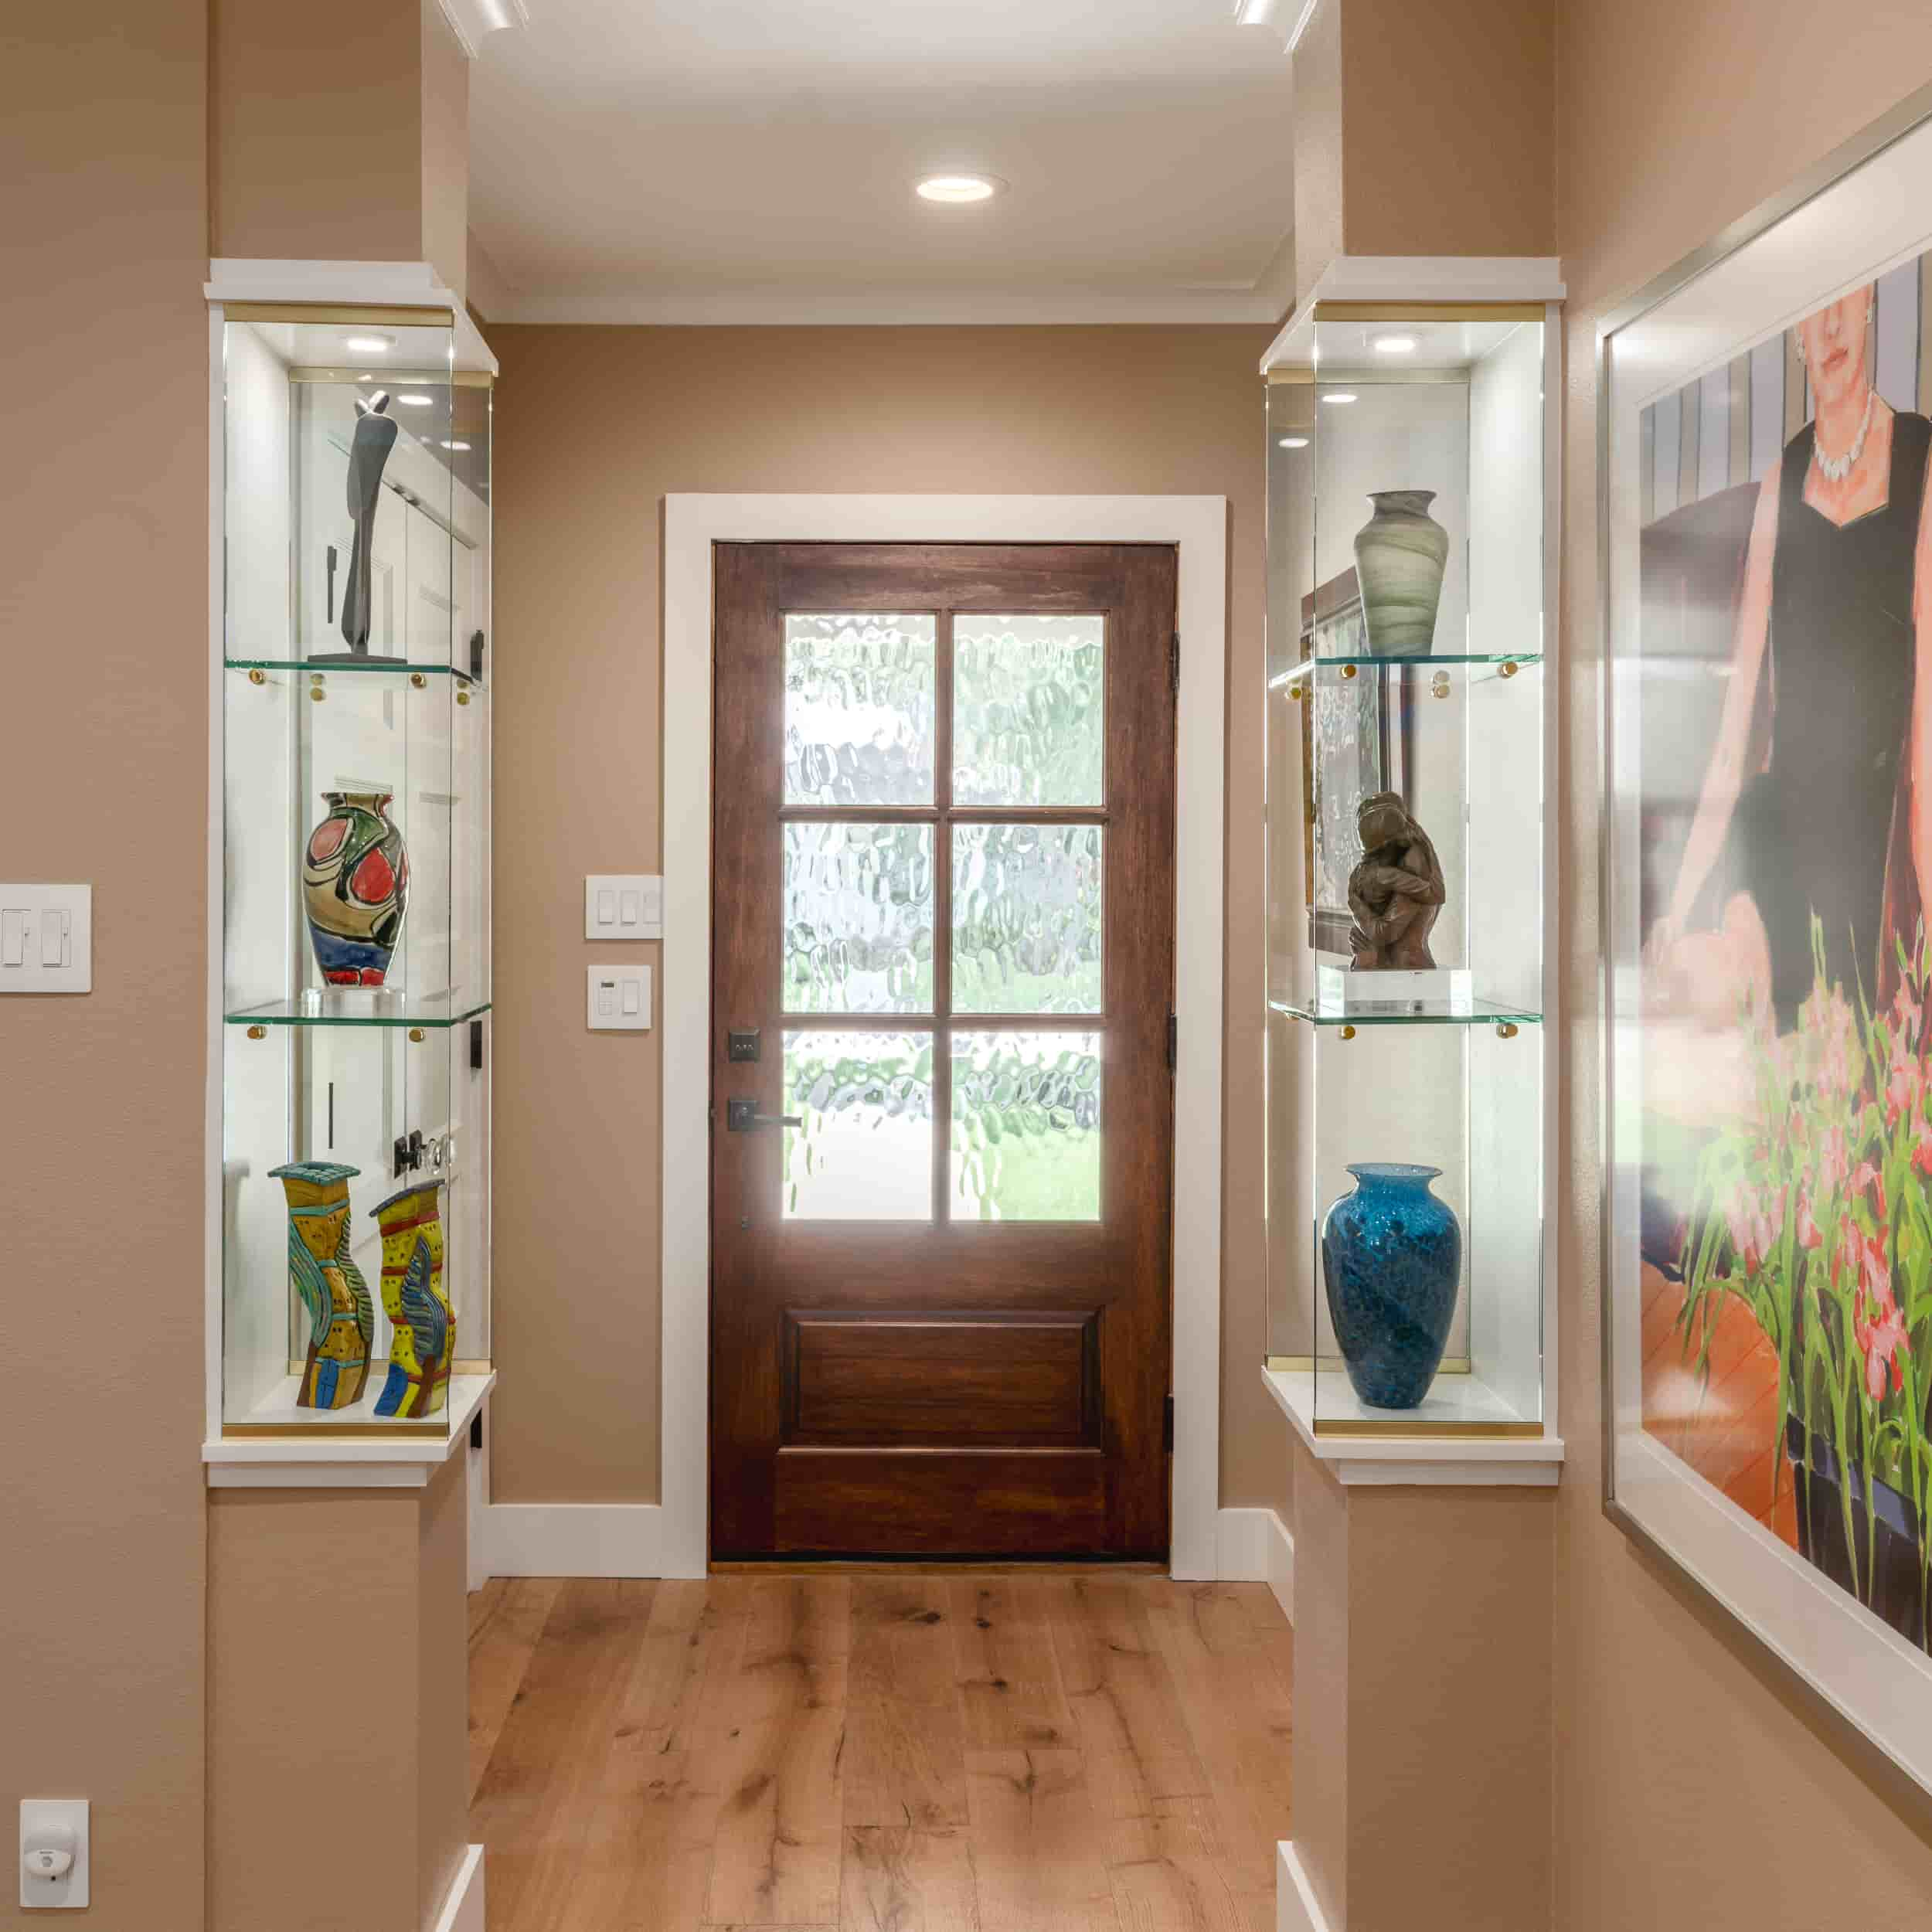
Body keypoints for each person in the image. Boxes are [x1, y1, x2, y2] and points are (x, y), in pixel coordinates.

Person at [1649, 283, 1932, 1031]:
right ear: (1795, 333)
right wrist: (1676, 905)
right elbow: (1732, 730)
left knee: (1851, 1079)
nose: (1831, 324)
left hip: (1871, 843)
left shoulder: (1919, 462)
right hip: (1775, 834)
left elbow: (1925, 734)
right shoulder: (1782, 481)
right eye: (1812, 306)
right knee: (1711, 1002)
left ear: (1872, 302)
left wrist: (1925, 906)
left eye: (1847, 298)